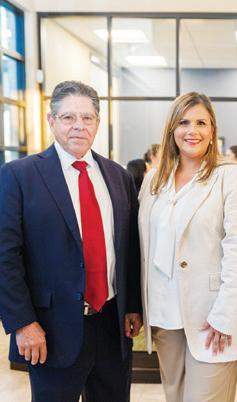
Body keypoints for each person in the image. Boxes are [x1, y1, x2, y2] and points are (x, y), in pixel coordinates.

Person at [0, 80, 142, 402]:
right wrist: (23, 323)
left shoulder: (118, 176)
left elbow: (130, 248)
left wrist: (132, 305)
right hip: (50, 330)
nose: (79, 125)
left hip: (112, 326)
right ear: (52, 121)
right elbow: (5, 256)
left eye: (87, 117)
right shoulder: (19, 176)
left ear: (98, 123)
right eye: (68, 117)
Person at [138, 92, 237, 402]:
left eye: (201, 123)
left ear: (212, 130)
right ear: (172, 129)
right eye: (184, 122)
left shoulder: (232, 176)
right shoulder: (153, 180)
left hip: (211, 317)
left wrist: (225, 315)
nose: (192, 131)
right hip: (165, 316)